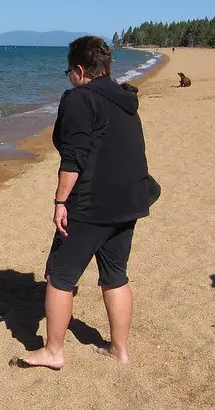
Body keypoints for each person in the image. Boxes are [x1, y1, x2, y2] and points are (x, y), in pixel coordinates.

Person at [16, 36, 153, 368]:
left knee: (60, 277)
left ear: (79, 69)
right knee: (115, 275)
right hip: (129, 201)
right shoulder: (124, 98)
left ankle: (53, 351)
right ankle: (119, 350)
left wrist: (60, 201)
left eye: (68, 71)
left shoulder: (81, 99)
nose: (69, 77)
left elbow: (73, 159)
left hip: (93, 204)